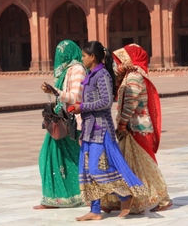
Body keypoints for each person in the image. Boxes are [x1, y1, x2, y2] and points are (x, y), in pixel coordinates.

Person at [72, 41, 150, 221]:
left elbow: (106, 102)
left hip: (101, 129)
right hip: (89, 129)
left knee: (96, 169)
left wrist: (82, 107)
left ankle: (125, 195)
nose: (82, 58)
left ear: (92, 57)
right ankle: (95, 210)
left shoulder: (103, 75)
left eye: (84, 55)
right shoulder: (91, 74)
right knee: (86, 170)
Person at [102, 43, 172, 214]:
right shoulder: (130, 74)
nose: (120, 62)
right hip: (134, 128)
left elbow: (130, 104)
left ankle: (162, 198)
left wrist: (122, 124)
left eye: (124, 58)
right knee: (130, 165)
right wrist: (120, 69)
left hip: (137, 127)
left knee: (144, 165)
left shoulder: (134, 77)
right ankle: (124, 199)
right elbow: (115, 81)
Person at [34, 40, 86, 209]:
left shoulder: (77, 70)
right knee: (48, 157)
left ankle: (68, 196)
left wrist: (55, 91)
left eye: (62, 52)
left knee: (65, 159)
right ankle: (58, 196)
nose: (59, 56)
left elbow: (75, 97)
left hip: (70, 123)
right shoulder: (67, 71)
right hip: (62, 120)